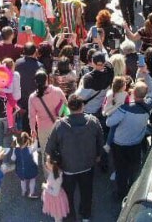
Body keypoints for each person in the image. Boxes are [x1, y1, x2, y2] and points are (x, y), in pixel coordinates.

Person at [45, 94, 104, 222]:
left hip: (67, 168)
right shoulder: (93, 121)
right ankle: (86, 216)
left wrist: (55, 163)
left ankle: (70, 218)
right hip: (88, 166)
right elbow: (100, 141)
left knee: (68, 196)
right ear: (82, 106)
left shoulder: (59, 125)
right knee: (86, 192)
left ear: (68, 107)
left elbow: (49, 148)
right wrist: (98, 156)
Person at [106, 80, 152, 200]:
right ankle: (133, 193)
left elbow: (109, 122)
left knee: (121, 171)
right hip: (136, 144)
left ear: (133, 93)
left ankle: (121, 194)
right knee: (134, 169)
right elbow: (151, 97)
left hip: (120, 145)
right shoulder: (149, 106)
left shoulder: (124, 109)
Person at [28, 70, 68, 154]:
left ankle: (46, 167)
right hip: (59, 125)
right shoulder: (57, 90)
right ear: (47, 79)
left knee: (46, 152)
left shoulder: (33, 97)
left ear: (35, 81)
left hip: (43, 128)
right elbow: (66, 105)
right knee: (61, 150)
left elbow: (32, 116)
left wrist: (33, 129)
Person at [42, 156, 70, 222]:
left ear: (52, 165)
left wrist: (45, 187)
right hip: (54, 199)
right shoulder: (54, 171)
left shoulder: (57, 178)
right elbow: (49, 170)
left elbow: (55, 193)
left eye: (47, 162)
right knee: (56, 215)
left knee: (57, 217)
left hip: (56, 200)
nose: (46, 163)